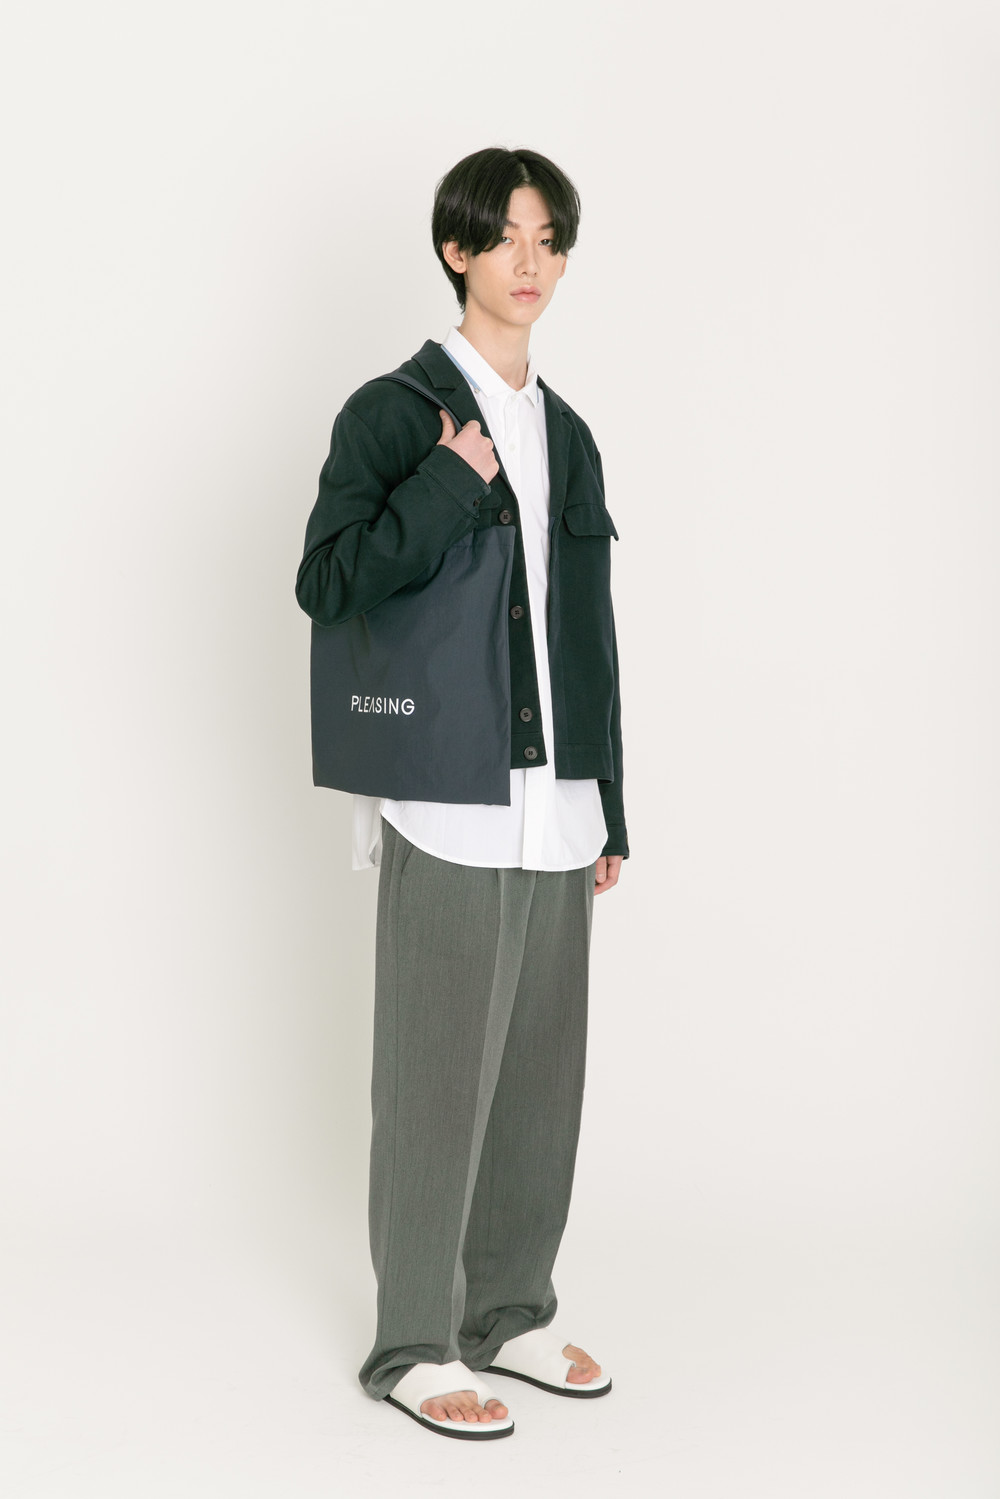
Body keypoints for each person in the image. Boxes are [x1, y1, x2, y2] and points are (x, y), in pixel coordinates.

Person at [295, 145, 627, 1440]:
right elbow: (329, 582)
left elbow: (586, 628)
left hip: (560, 806)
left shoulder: (570, 429)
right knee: (435, 1081)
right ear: (457, 250)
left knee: (541, 1082)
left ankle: (511, 1312)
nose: (531, 263)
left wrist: (612, 801)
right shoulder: (395, 411)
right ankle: (414, 1344)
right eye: (506, 238)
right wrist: (449, 479)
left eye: (551, 239)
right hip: (449, 798)